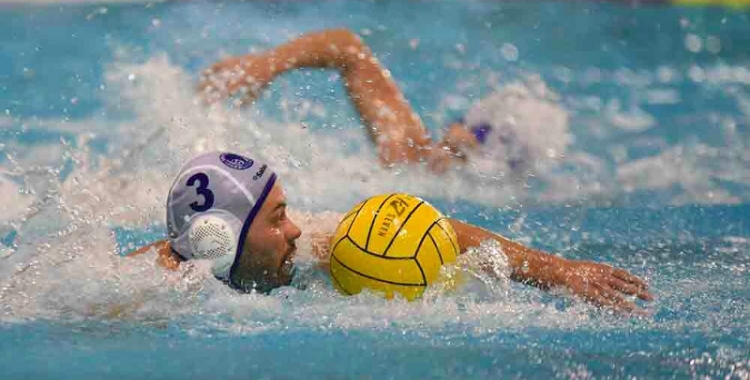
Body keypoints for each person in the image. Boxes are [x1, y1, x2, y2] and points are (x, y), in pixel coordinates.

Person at [130, 151, 652, 313]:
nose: (293, 229)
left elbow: (431, 230)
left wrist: (559, 272)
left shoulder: (307, 243)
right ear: (219, 243)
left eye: (286, 211)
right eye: (275, 219)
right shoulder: (146, 292)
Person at [198, 28, 569, 175]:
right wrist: (268, 64)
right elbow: (349, 48)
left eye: (480, 134)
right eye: (468, 123)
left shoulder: (419, 172)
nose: (459, 132)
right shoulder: (409, 151)